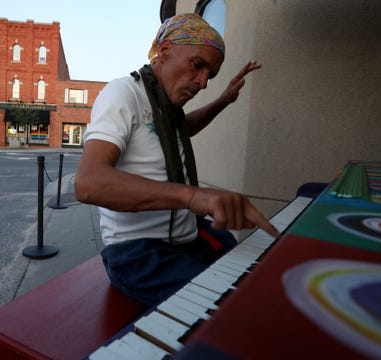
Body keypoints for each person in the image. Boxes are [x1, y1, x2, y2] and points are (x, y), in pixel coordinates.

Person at [75, 13, 279, 307]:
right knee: (239, 308)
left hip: (189, 236)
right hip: (139, 253)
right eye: (198, 65)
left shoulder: (167, 106)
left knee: (256, 276)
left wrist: (223, 100)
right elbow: (88, 182)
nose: (203, 82)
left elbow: (182, 130)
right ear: (166, 48)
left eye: (211, 74)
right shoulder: (123, 92)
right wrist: (193, 196)